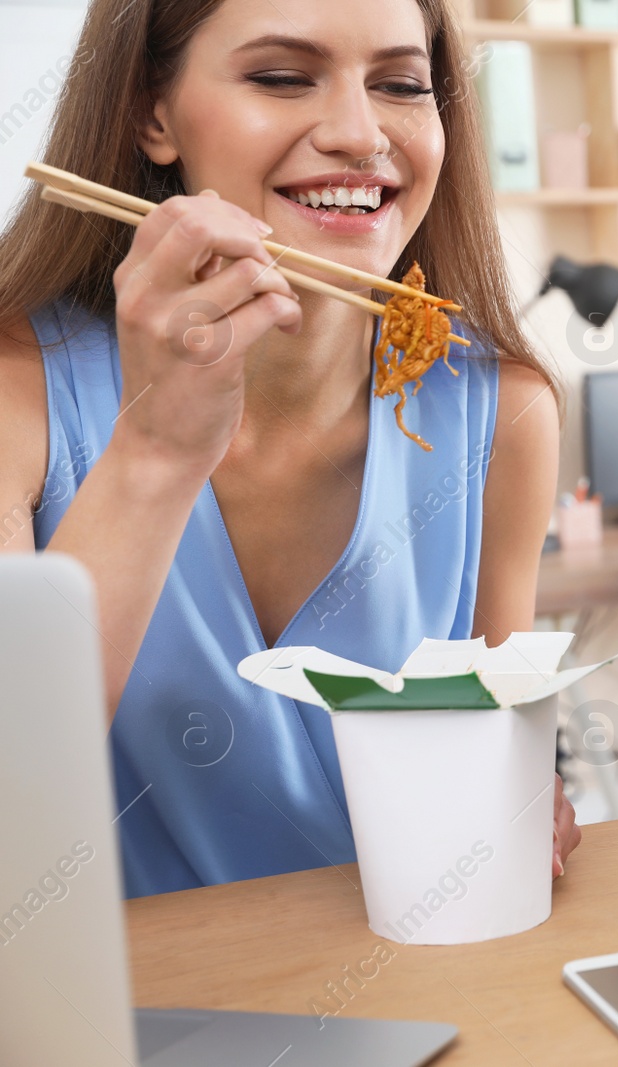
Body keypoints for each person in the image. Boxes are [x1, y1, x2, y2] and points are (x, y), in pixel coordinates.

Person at [0, 0, 581, 896]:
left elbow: (499, 750)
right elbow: (14, 787)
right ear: (151, 114)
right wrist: (154, 450)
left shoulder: (502, 411)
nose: (360, 133)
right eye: (281, 76)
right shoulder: (18, 389)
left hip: (422, 997)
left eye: (401, 85)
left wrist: (519, 792)